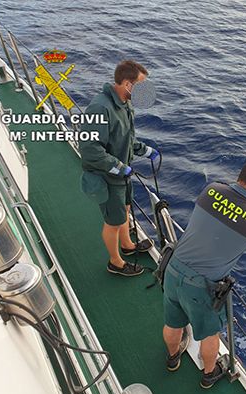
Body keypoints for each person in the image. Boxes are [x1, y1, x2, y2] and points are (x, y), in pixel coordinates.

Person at [162, 158, 246, 389]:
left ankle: (172, 359)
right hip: (200, 286)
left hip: (172, 269)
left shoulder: (211, 189)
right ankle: (209, 374)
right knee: (210, 335)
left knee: (173, 323)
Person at [79, 60, 158, 277]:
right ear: (126, 84)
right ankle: (116, 262)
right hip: (108, 176)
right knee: (113, 222)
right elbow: (90, 148)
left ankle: (128, 245)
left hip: (122, 174)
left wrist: (144, 150)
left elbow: (124, 138)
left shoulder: (124, 103)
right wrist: (118, 167)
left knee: (125, 210)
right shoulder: (100, 107)